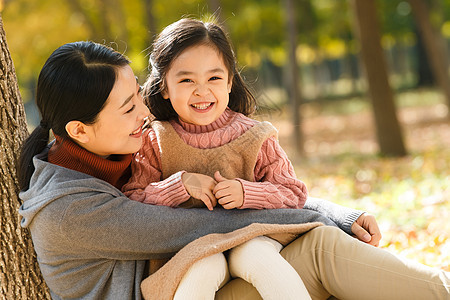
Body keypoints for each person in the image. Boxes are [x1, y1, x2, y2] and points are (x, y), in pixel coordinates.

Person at [17, 41, 448, 300]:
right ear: (79, 130)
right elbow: (203, 223)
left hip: (206, 278)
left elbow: (247, 194)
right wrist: (323, 216)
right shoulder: (65, 210)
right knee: (317, 249)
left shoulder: (117, 155)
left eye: (138, 96)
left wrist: (339, 214)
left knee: (319, 250)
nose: (144, 111)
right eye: (128, 107)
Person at [120, 17, 319, 300]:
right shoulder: (154, 140)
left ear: (229, 82)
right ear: (164, 87)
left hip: (251, 236)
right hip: (187, 247)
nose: (202, 91)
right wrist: (180, 185)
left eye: (213, 78)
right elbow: (132, 200)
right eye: (186, 80)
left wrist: (246, 192)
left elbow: (293, 193)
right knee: (202, 267)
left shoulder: (256, 136)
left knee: (259, 258)